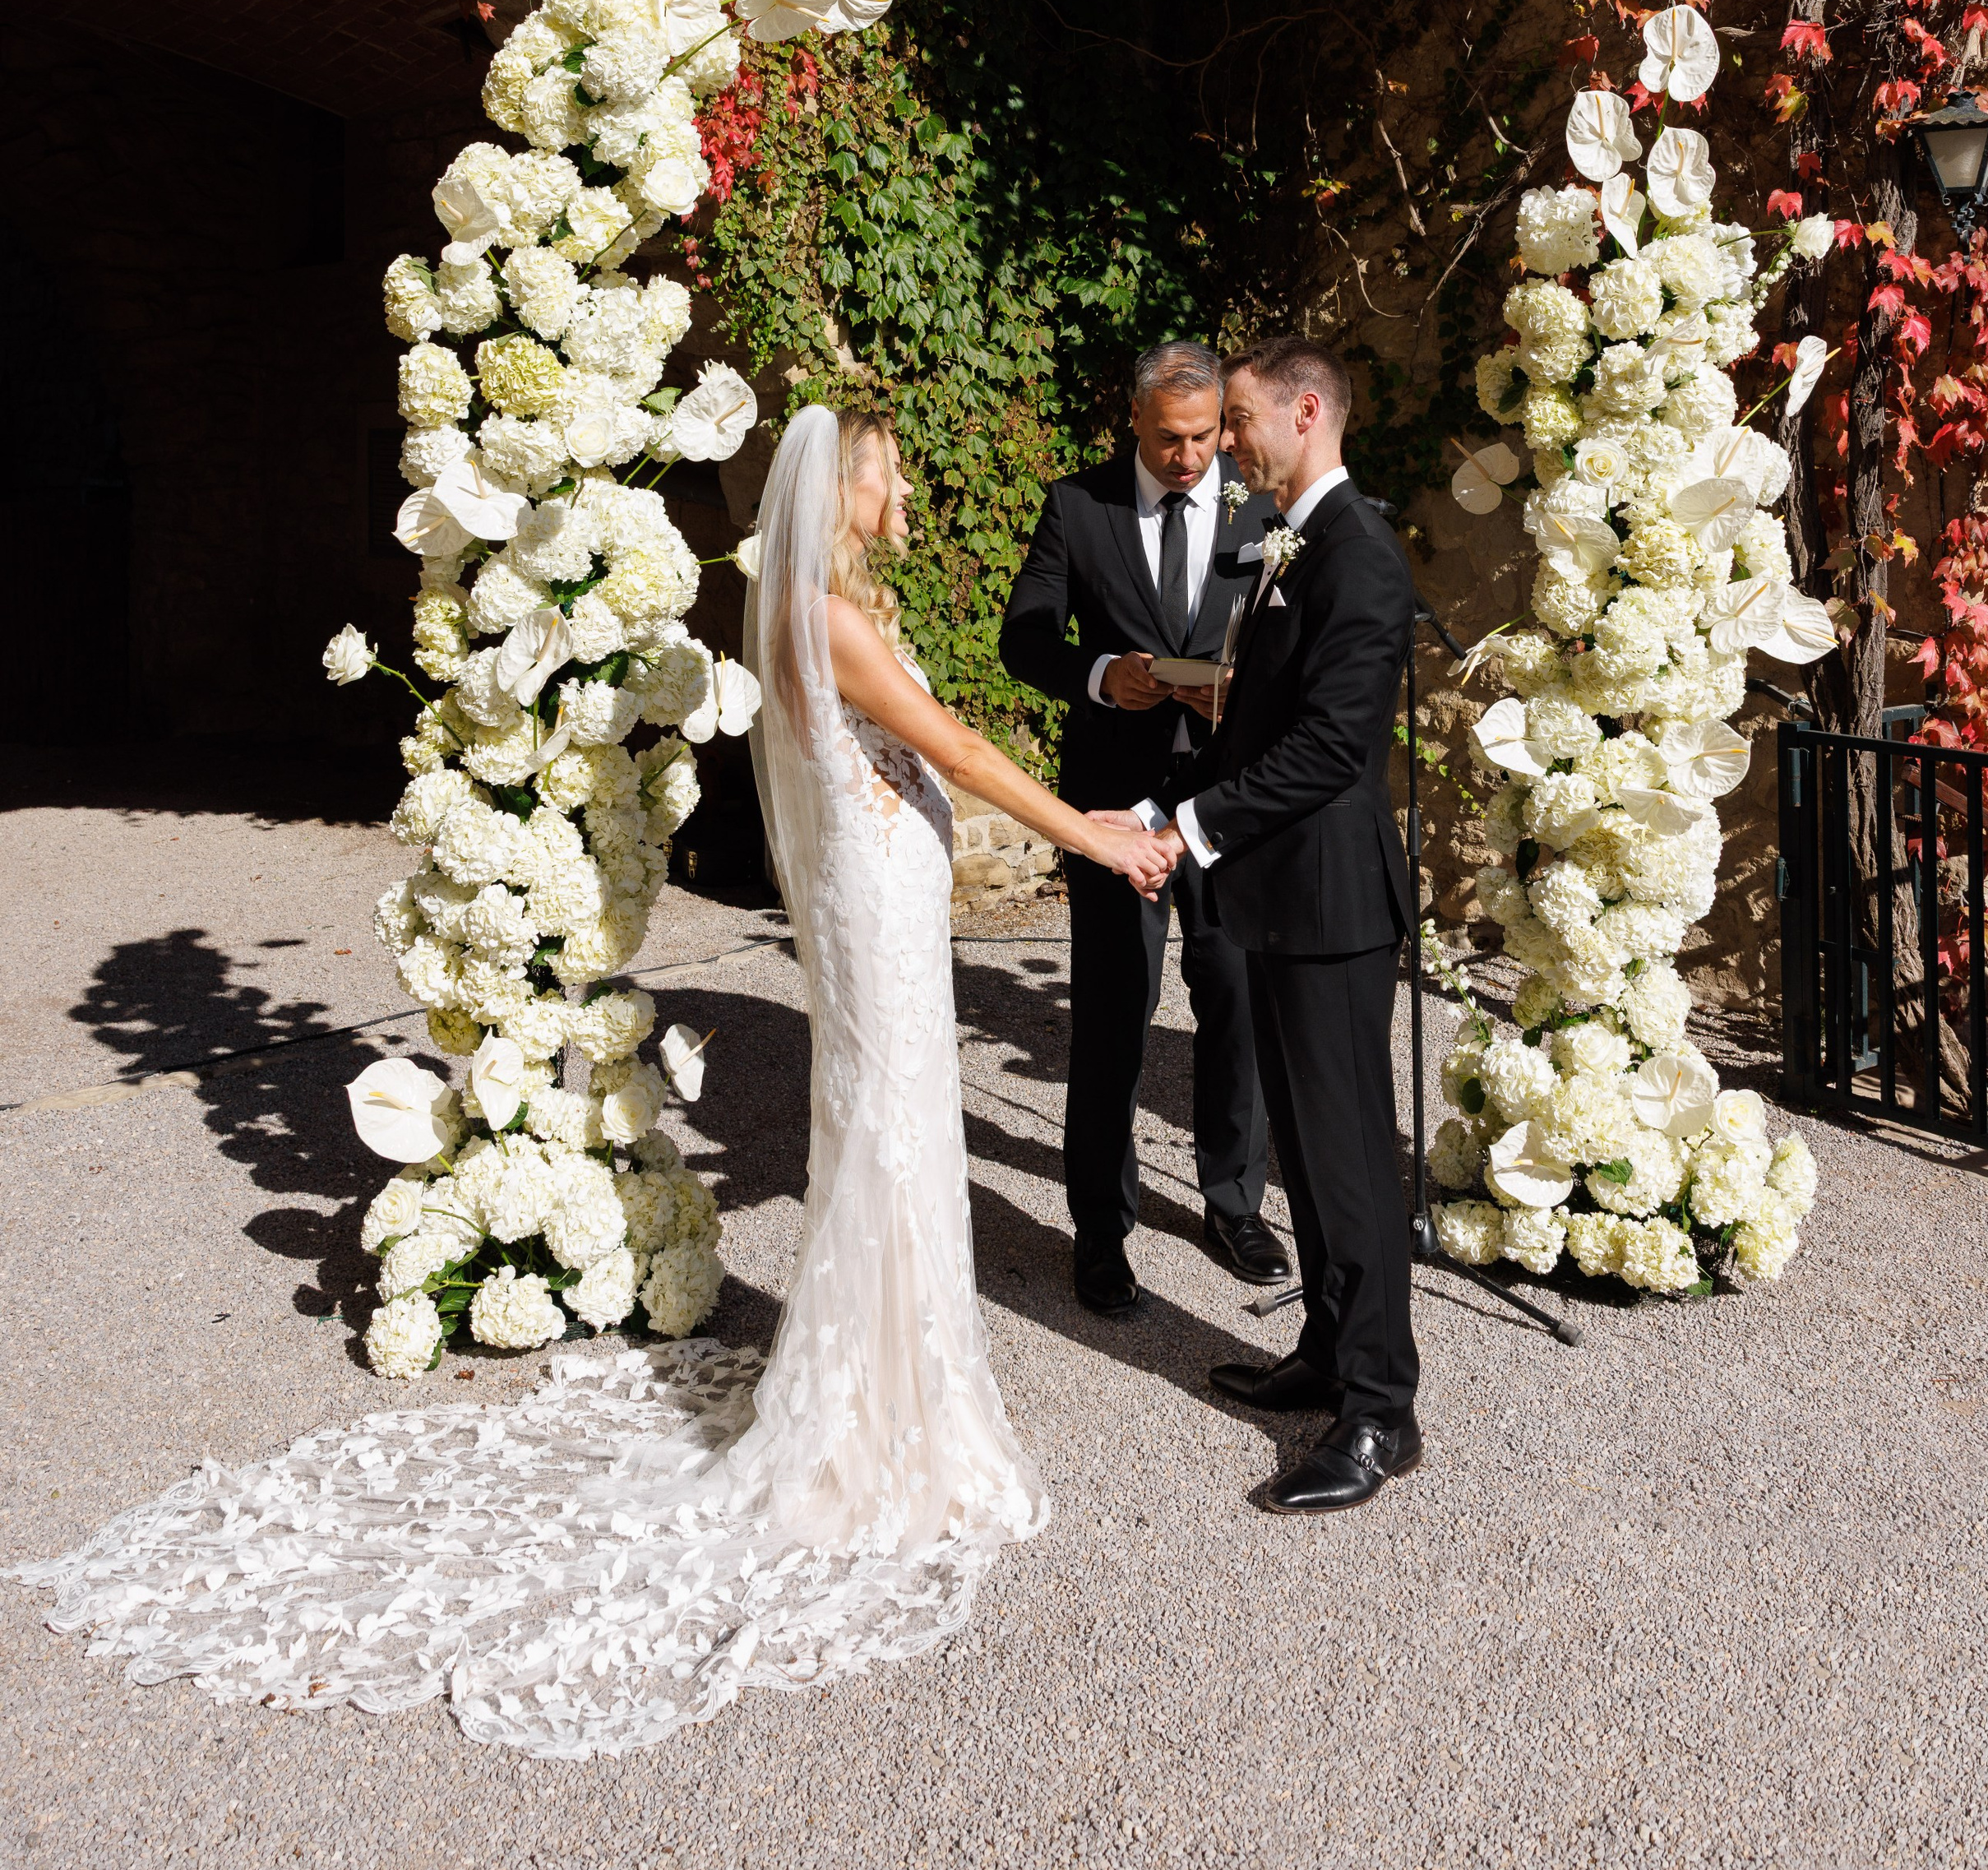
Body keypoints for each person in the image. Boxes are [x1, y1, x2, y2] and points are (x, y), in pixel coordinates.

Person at [16, 405, 1179, 1753]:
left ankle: (893, 1389)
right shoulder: (828, 613)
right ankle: (876, 1419)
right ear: (842, 486)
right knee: (895, 1134)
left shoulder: (833, 602)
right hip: (881, 899)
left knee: (898, 1129)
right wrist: (1087, 837)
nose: (901, 485)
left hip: (895, 890)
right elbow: (963, 753)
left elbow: (927, 751)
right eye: (886, 469)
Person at [1101, 336, 1422, 1518]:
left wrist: (1188, 823)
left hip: (1333, 905)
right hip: (1281, 898)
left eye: (1238, 421)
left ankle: (1384, 1411)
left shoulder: (1359, 555)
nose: (1226, 443)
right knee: (1306, 1148)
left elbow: (1336, 747)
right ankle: (1330, 1355)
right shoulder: (1295, 544)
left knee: (1350, 1165)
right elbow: (1267, 718)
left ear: (1304, 410)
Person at [1000, 341, 1288, 1316]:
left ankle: (1231, 1202)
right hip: (1114, 807)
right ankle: (1099, 1231)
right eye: (1169, 438)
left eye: (1206, 436)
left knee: (1236, 1005)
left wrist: (1251, 701)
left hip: (1230, 803)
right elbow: (1023, 638)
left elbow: (1296, 640)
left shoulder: (1263, 512)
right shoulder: (1076, 507)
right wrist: (1099, 673)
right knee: (1115, 1015)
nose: (1189, 456)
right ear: (1132, 420)